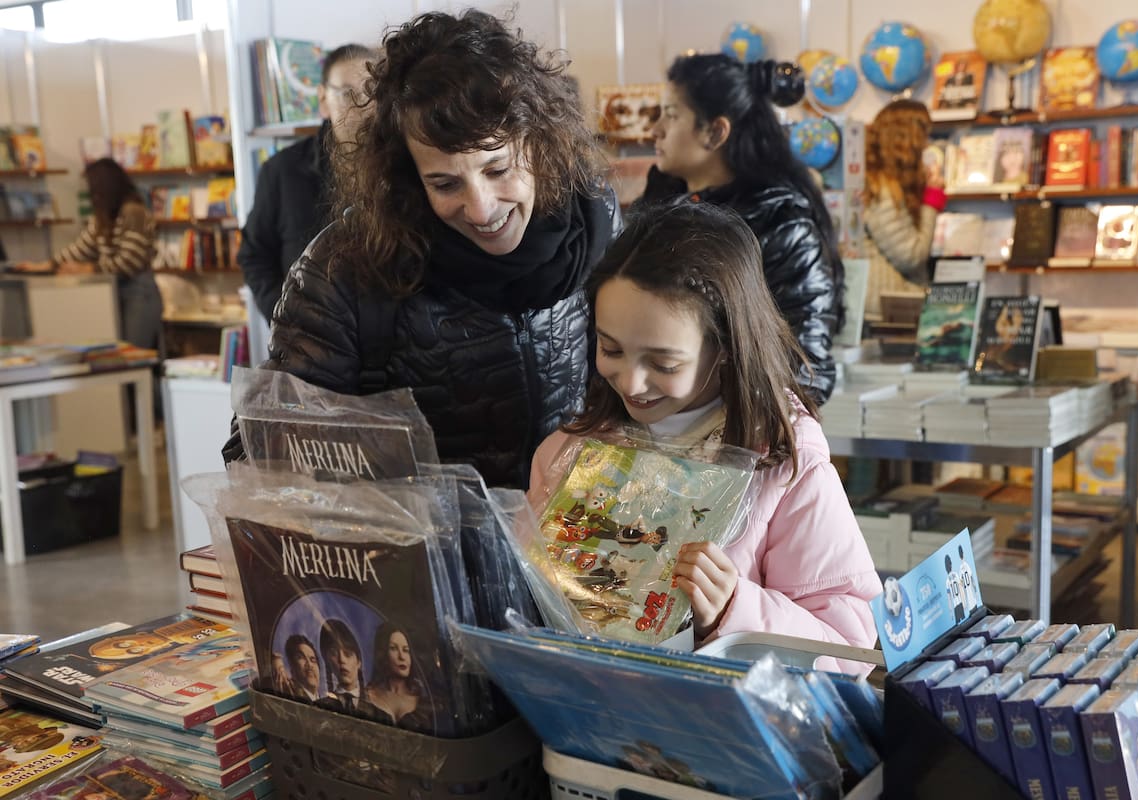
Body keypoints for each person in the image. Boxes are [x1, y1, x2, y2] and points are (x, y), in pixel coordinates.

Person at [222, 10, 619, 490]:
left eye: (497, 170)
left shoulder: (597, 224)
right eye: (445, 182)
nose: (480, 208)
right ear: (408, 177)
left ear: (538, 145)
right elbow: (256, 452)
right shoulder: (349, 269)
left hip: (572, 548)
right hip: (435, 554)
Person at [527, 204, 881, 673]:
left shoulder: (783, 466)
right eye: (610, 348)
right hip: (584, 717)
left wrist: (734, 610)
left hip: (717, 731)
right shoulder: (569, 452)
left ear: (727, 349)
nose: (630, 383)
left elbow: (849, 644)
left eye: (663, 364)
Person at [636, 53, 843, 405]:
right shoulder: (663, 208)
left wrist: (716, 435)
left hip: (735, 445)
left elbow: (806, 371)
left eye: (671, 115)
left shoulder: (783, 224)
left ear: (716, 131)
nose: (655, 130)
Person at [237, 43, 374, 320]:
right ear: (323, 99)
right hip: (309, 337)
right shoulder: (282, 171)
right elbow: (254, 254)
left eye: (373, 91)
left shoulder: (404, 166)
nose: (363, 105)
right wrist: (284, 316)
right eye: (348, 93)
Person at [14, 158, 162, 351]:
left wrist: (90, 268)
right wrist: (48, 265)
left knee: (133, 354)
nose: (91, 194)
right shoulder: (103, 217)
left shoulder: (133, 212)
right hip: (116, 289)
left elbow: (130, 261)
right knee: (118, 353)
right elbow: (82, 247)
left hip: (139, 293)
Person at [862, 99, 945, 318]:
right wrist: (931, 200)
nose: (927, 146)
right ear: (909, 141)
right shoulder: (881, 190)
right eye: (924, 137)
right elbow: (910, 256)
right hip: (885, 311)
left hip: (884, 307)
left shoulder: (880, 183)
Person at [314, 619, 391, 723]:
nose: (342, 660)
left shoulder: (381, 717)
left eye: (348, 653)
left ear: (359, 662)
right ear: (328, 663)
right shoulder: (317, 709)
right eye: (334, 653)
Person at [364, 623, 434, 732]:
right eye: (393, 648)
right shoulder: (364, 696)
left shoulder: (428, 702)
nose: (401, 657)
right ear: (383, 654)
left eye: (406, 650)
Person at [284, 633, 323, 702]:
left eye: (313, 660)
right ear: (291, 667)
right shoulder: (289, 699)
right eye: (301, 657)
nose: (309, 664)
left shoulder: (328, 701)